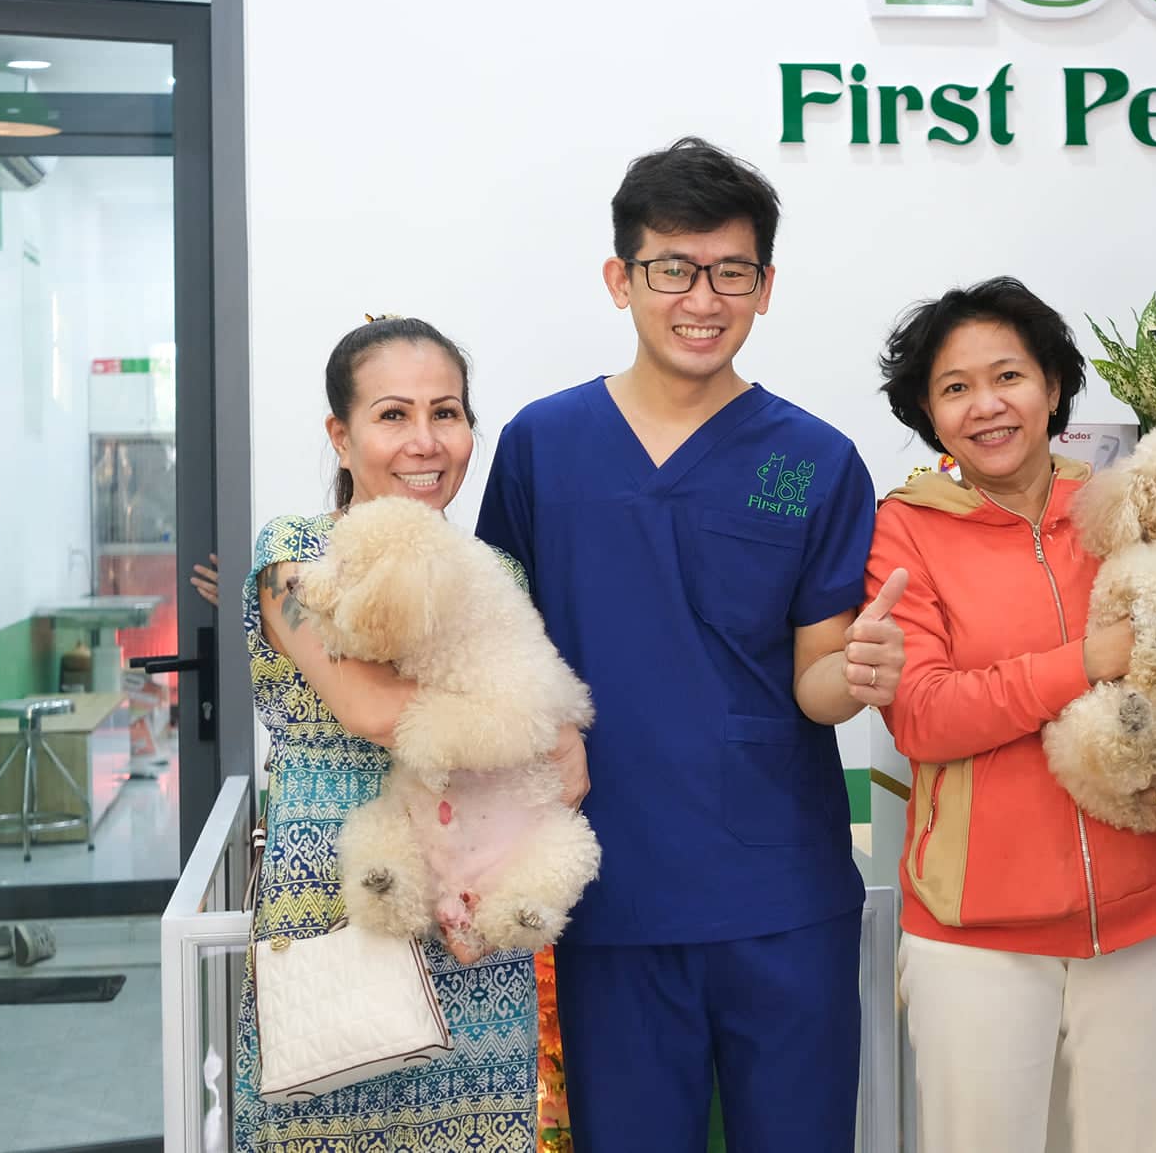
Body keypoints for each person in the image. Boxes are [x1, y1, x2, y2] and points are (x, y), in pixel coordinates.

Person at [476, 137, 903, 1153]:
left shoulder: (813, 460)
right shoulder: (543, 445)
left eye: (731, 272)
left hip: (780, 892)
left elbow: (814, 680)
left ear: (765, 287)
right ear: (620, 277)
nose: (702, 299)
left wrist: (857, 675)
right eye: (673, 268)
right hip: (607, 888)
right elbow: (493, 641)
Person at [867, 277, 1156, 1153]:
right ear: (928, 412)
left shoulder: (1136, 504)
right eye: (955, 388)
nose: (988, 405)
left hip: (1145, 917)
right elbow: (923, 715)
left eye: (1009, 376)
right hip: (976, 934)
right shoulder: (905, 530)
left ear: (1053, 385)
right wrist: (1089, 660)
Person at [232, 316, 585, 1153]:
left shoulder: (498, 572)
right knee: (323, 1125)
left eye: (447, 413)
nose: (425, 441)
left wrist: (547, 732)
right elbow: (370, 709)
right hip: (340, 904)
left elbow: (561, 753)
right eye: (393, 414)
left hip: (476, 925)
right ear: (341, 435)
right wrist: (539, 726)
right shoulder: (296, 557)